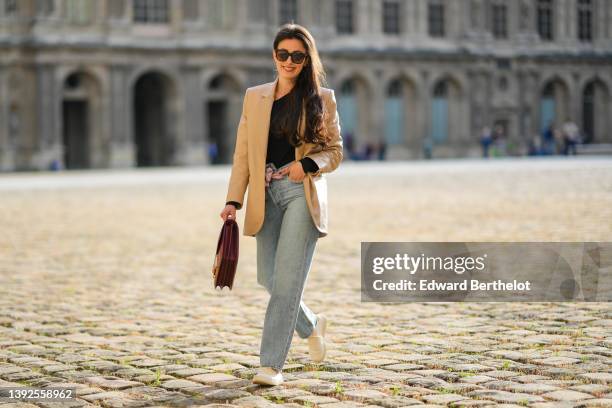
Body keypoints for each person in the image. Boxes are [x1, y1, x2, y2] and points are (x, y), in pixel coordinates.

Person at [219, 23, 343, 386]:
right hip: (264, 195)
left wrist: (305, 166)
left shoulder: (322, 97)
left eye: (297, 56)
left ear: (307, 60)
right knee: (268, 278)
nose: (289, 61)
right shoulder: (254, 97)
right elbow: (242, 153)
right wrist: (232, 199)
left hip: (300, 194)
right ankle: (311, 325)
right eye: (283, 54)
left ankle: (271, 365)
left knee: (287, 285)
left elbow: (334, 152)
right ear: (274, 55)